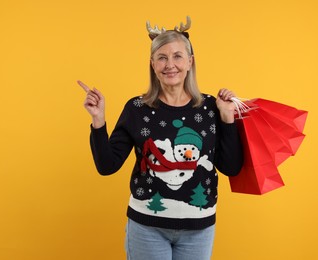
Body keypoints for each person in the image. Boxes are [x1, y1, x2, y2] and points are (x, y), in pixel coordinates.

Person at [78, 16, 243, 260]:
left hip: (199, 229)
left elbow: (231, 167)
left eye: (177, 56)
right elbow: (107, 166)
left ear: (190, 62)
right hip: (147, 228)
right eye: (162, 58)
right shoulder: (136, 109)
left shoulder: (211, 107)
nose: (170, 65)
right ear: (153, 64)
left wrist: (228, 117)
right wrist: (98, 120)